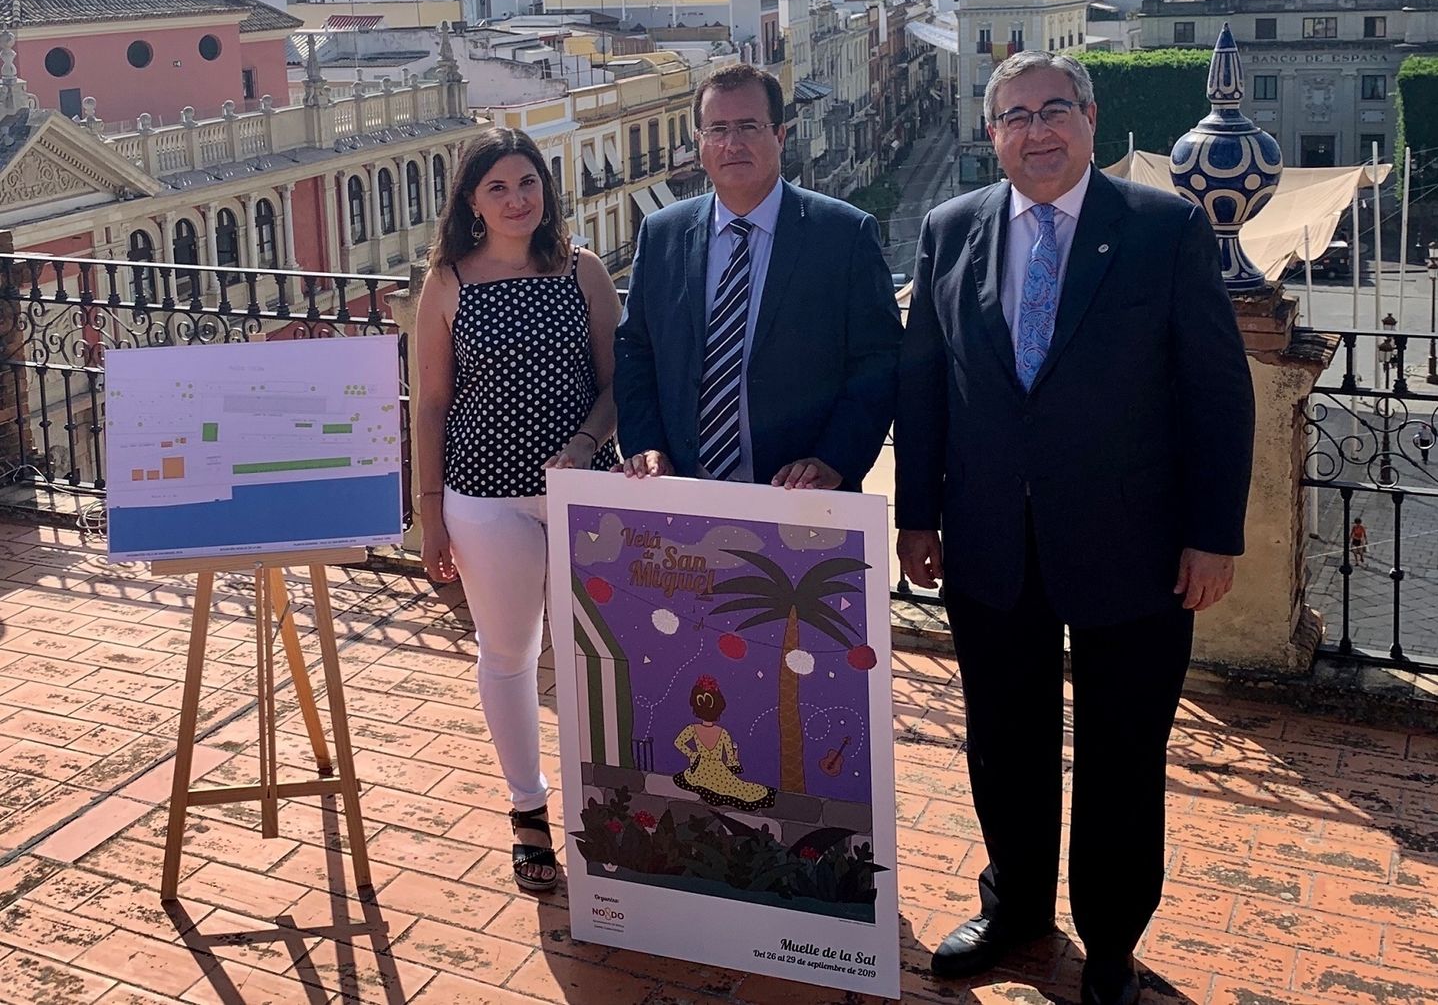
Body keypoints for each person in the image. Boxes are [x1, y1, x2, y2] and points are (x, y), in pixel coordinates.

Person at [895, 51, 1254, 1004]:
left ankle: (1110, 941)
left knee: (1121, 752)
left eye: (1056, 110)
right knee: (1001, 740)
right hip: (989, 545)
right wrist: (916, 516)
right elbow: (925, 379)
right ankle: (1014, 906)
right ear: (992, 135)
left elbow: (1217, 393)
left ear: (1091, 121)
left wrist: (1213, 534)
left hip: (1134, 549)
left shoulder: (1163, 228)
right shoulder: (950, 228)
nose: (1037, 130)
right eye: (1016, 116)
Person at [414, 127, 621, 894]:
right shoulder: (448, 283)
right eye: (497, 187)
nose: (516, 199)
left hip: (585, 491)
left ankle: (608, 805)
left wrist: (585, 439)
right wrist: (428, 514)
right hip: (483, 497)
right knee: (507, 653)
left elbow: (615, 382)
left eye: (527, 182)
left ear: (546, 188)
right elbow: (431, 406)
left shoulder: (583, 271)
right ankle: (528, 811)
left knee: (594, 656)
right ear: (471, 200)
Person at [613, 63, 902, 492]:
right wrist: (646, 443)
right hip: (683, 492)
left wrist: (834, 460)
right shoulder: (662, 235)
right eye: (717, 130)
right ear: (699, 143)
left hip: (802, 497)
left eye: (749, 126)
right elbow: (635, 349)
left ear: (780, 135)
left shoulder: (843, 234)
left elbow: (879, 360)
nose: (732, 144)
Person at [672, 675, 776, 810]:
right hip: (719, 773)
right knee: (742, 790)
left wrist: (692, 754)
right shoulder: (723, 733)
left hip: (700, 773)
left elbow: (678, 742)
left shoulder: (693, 729)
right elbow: (731, 762)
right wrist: (735, 755)